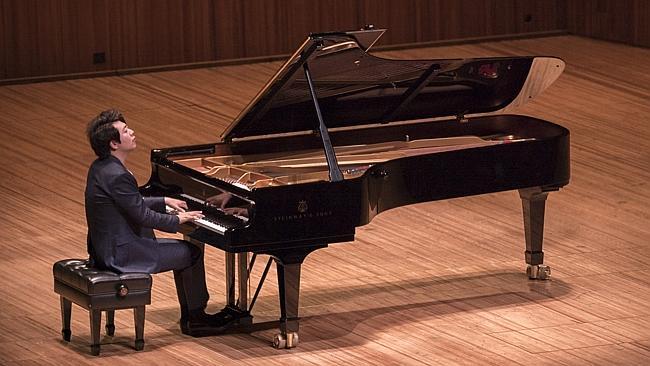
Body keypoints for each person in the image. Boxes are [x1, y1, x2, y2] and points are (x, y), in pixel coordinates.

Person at [84, 108, 215, 335]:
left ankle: (194, 316)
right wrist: (177, 220)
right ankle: (196, 317)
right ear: (114, 144)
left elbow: (130, 202)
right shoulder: (118, 175)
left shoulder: (101, 167)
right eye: (126, 131)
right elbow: (142, 216)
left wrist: (162, 199)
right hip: (124, 254)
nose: (132, 132)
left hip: (105, 249)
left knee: (186, 251)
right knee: (191, 253)